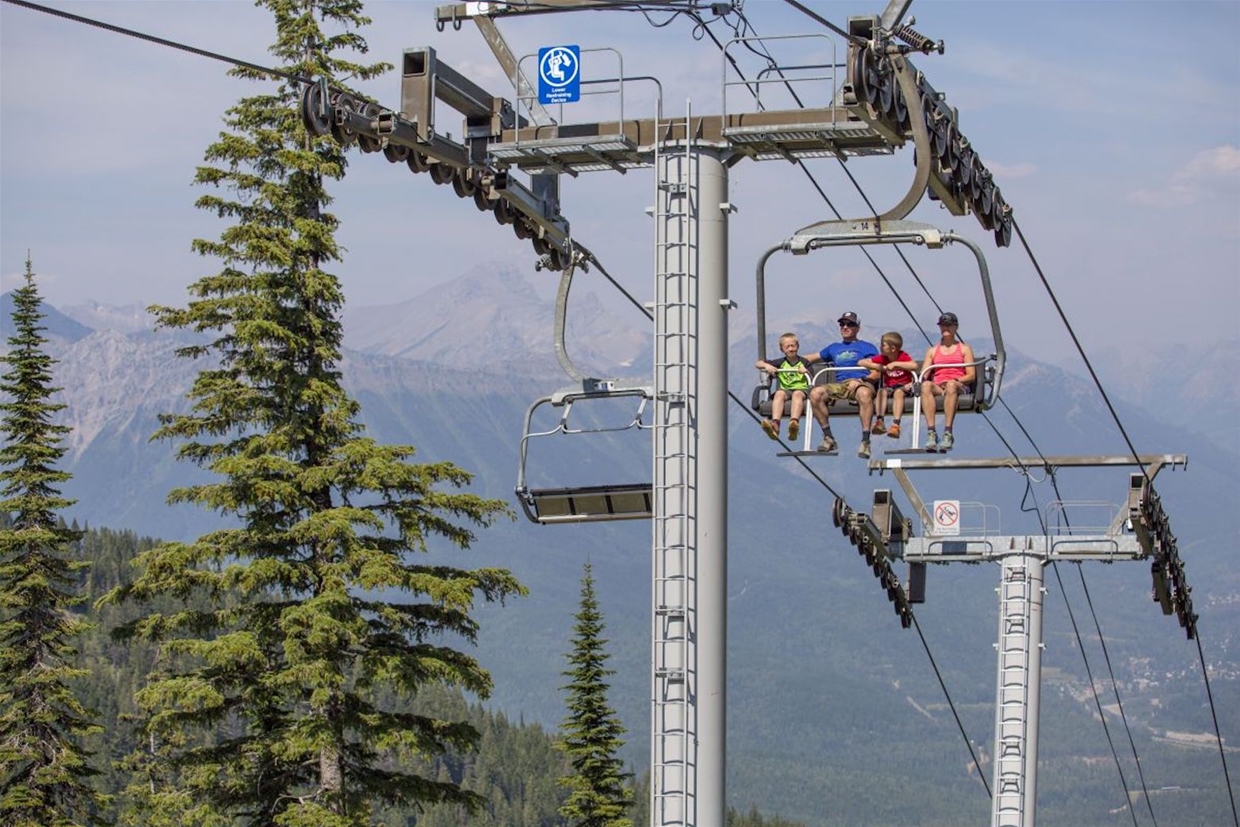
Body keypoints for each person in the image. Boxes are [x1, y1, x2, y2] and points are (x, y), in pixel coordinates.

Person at [805, 311, 879, 458]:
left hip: (861, 383)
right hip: (841, 385)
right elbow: (811, 358)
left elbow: (877, 371)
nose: (845, 327)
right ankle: (828, 437)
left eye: (849, 324)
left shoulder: (867, 347)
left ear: (857, 328)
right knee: (815, 393)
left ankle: (865, 441)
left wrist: (861, 381)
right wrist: (781, 363)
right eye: (842, 324)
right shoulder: (833, 348)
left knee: (864, 394)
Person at [920, 311, 976, 452]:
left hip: (958, 385)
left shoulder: (964, 349)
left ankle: (948, 431)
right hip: (939, 385)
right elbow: (925, 373)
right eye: (943, 326)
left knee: (951, 385)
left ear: (955, 327)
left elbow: (971, 375)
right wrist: (919, 380)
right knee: (926, 386)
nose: (946, 328)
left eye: (949, 325)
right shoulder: (932, 351)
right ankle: (931, 431)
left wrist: (956, 380)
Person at [859, 331, 918, 439]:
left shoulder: (903, 356)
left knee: (898, 393)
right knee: (881, 392)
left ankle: (896, 425)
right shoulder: (882, 358)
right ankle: (880, 420)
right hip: (889, 387)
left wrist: (896, 364)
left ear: (893, 348)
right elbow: (861, 362)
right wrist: (876, 366)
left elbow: (914, 365)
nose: (880, 347)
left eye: (883, 345)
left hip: (903, 386)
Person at [754, 332, 811, 442]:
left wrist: (806, 372)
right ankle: (775, 424)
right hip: (786, 390)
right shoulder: (780, 362)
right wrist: (767, 366)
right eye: (787, 347)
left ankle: (794, 423)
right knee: (779, 393)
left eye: (793, 346)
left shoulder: (804, 362)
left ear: (797, 346)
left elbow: (812, 378)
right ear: (782, 349)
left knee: (797, 394)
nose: (790, 349)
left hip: (802, 389)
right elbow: (758, 364)